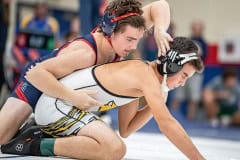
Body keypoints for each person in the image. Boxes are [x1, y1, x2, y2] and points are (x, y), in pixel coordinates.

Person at [1, 37, 205, 160]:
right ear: (172, 65)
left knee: (115, 146)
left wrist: (157, 100)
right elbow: (167, 124)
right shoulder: (144, 74)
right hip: (56, 105)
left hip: (64, 107)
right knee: (114, 149)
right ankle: (33, 143)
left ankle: (39, 134)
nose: (183, 83)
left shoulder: (145, 80)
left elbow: (126, 129)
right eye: (184, 76)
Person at [0, 0, 172, 145]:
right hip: (39, 81)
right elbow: (36, 74)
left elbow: (161, 5)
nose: (134, 47)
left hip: (61, 91)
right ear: (111, 32)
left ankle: (38, 127)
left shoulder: (126, 29)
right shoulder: (86, 53)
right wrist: (73, 97)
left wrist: (160, 30)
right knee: (2, 138)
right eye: (130, 40)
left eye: (138, 40)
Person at [170, 19, 208, 120]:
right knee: (178, 94)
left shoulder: (204, 43)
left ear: (202, 29)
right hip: (182, 70)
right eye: (194, 27)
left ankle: (190, 118)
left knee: (194, 97)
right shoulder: (188, 40)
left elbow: (204, 59)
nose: (196, 30)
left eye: (198, 28)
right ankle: (172, 116)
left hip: (196, 75)